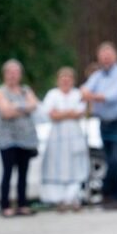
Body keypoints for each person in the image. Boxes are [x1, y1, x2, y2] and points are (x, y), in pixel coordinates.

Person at [81, 42, 117, 210]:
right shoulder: (98, 76)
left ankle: (106, 191)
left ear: (115, 56)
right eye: (102, 57)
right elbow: (84, 90)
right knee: (109, 160)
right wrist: (91, 95)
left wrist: (93, 96)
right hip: (103, 123)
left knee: (114, 159)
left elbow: (112, 96)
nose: (105, 59)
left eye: (108, 56)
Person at [0, 59, 40, 218]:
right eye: (9, 72)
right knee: (7, 172)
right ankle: (5, 206)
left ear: (20, 75)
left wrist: (15, 107)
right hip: (7, 139)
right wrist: (23, 108)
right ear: (4, 74)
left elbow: (34, 105)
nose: (12, 76)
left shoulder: (25, 90)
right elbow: (5, 112)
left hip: (25, 139)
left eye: (15, 72)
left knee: (23, 173)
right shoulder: (0, 91)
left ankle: (22, 204)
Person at [39, 67, 89, 211]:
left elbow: (79, 112)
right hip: (57, 137)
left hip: (74, 135)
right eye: (63, 77)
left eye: (69, 77)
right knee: (57, 167)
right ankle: (59, 200)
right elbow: (51, 114)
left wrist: (61, 113)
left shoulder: (77, 94)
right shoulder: (52, 94)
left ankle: (74, 198)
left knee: (75, 166)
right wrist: (68, 112)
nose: (66, 80)